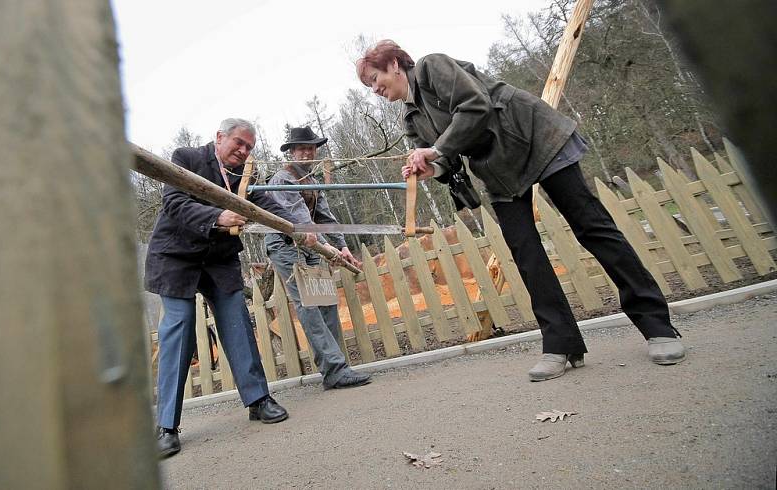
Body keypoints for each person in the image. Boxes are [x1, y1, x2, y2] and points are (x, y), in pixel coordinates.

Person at [356, 40, 686, 382]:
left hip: (537, 138)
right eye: (369, 86)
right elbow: (447, 160)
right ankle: (561, 344)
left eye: (376, 77)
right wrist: (433, 167)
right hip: (499, 169)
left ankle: (657, 326)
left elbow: (474, 107)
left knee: (593, 228)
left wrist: (435, 151)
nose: (375, 88)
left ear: (395, 65)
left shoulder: (432, 67)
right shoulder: (411, 118)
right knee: (525, 252)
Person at [145, 118, 318, 458]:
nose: (243, 150)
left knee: (238, 323)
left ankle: (258, 400)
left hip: (219, 258)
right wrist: (218, 217)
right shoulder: (187, 158)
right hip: (177, 256)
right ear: (220, 137)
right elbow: (175, 203)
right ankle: (166, 426)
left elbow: (265, 207)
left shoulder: (246, 175)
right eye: (239, 143)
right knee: (178, 332)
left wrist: (296, 227)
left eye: (249, 147)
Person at [264, 127, 372, 390]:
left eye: (311, 148)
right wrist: (327, 247)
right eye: (301, 148)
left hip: (311, 245)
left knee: (325, 301)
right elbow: (298, 217)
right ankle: (335, 369)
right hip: (286, 245)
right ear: (290, 152)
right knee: (308, 304)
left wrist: (342, 246)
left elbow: (324, 216)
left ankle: (333, 369)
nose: (307, 152)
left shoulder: (312, 179)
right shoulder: (282, 179)